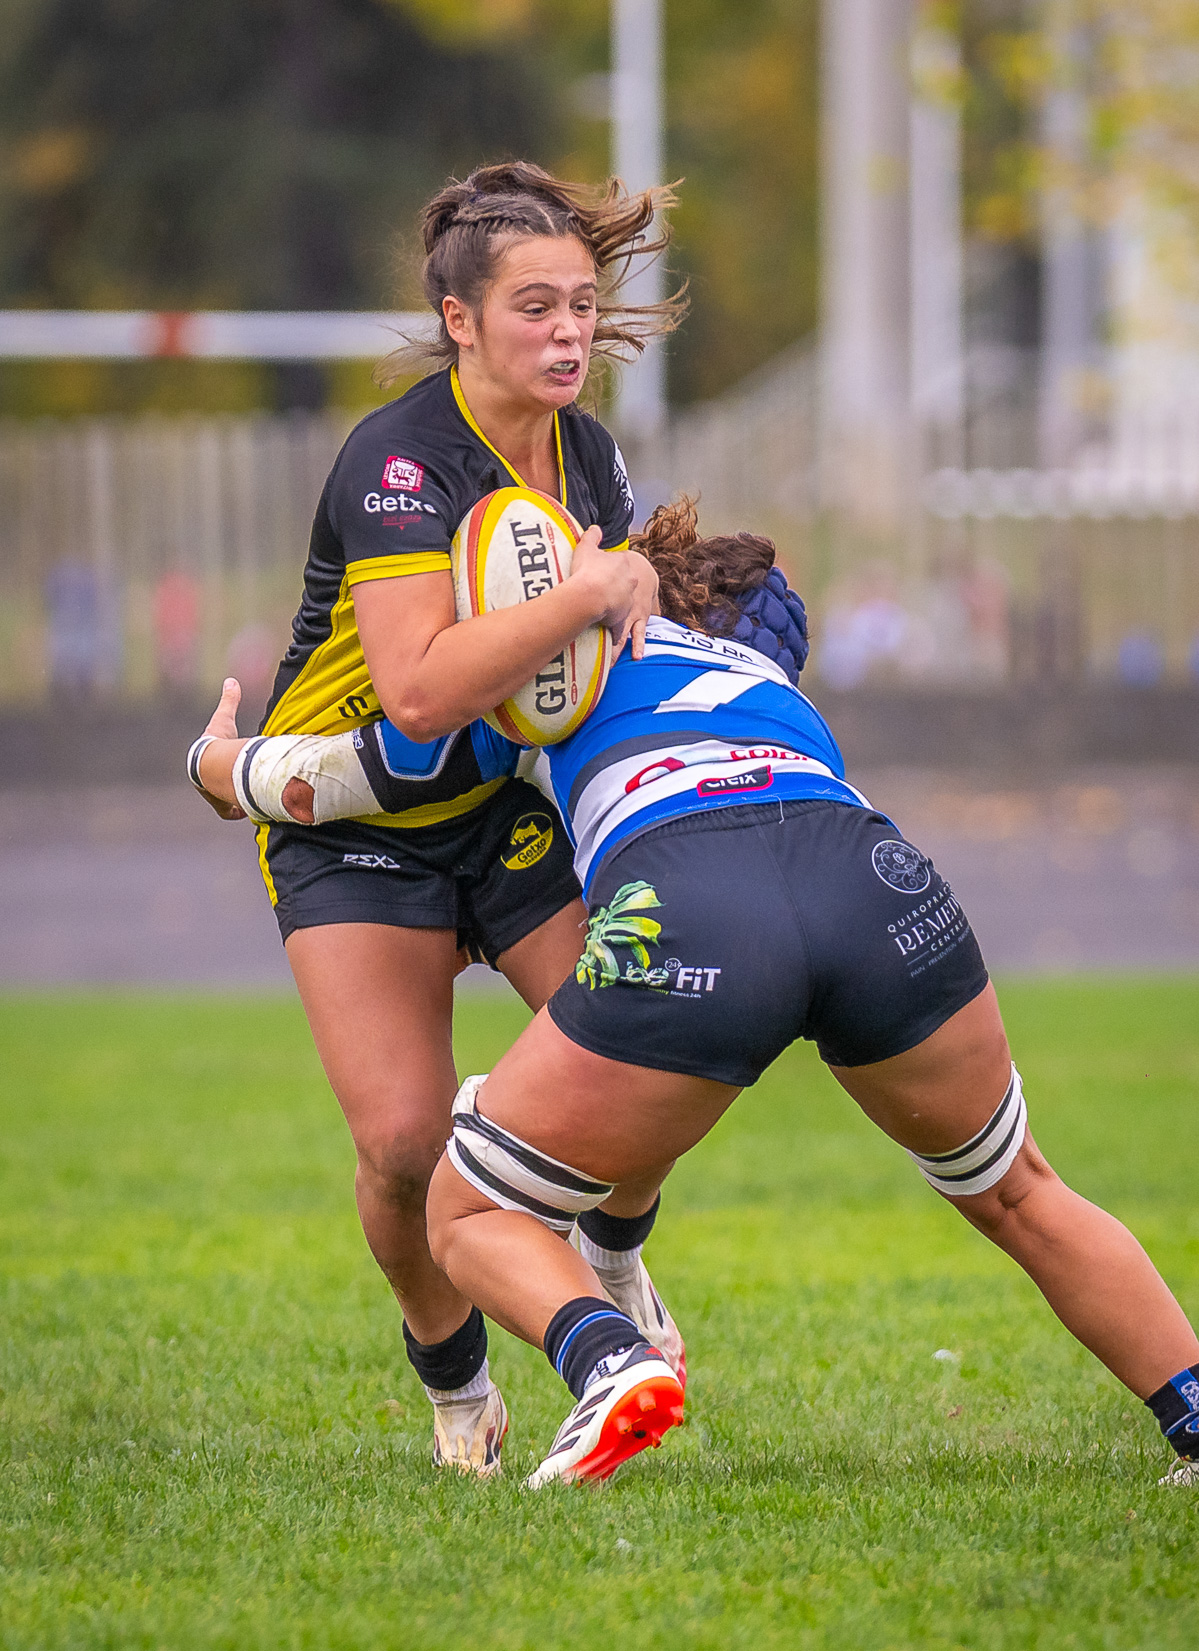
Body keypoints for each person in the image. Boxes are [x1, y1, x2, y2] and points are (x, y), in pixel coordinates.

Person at [194, 501, 1199, 1492]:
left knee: (463, 1206)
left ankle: (608, 1360)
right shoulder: (766, 683)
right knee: (1019, 1189)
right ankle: (1189, 1409)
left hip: (694, 895)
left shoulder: (560, 660)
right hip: (870, 879)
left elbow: (363, 775)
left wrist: (223, 765)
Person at [187, 161, 687, 1478]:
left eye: (582, 304)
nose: (569, 332)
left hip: (498, 811)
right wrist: (587, 594)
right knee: (405, 1143)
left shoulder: (591, 459)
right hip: (351, 815)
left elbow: (584, 685)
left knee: (644, 1031)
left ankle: (611, 1253)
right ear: (459, 320)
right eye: (534, 307)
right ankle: (456, 1384)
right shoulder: (397, 459)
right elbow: (413, 696)